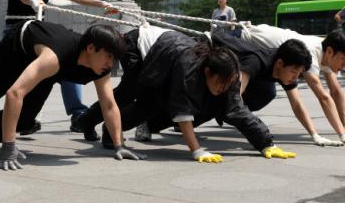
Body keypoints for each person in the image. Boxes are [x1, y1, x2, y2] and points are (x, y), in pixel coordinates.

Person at [75, 25, 296, 162]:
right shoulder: (189, 69)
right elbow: (183, 112)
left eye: (226, 85)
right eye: (219, 83)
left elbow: (238, 110)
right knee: (127, 96)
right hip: (141, 46)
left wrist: (267, 143)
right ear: (207, 72)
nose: (222, 89)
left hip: (164, 58)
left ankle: (106, 128)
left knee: (149, 105)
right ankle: (89, 122)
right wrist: (197, 150)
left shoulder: (228, 76)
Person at [0, 21, 145, 170]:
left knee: (25, 121)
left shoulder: (100, 68)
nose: (111, 64)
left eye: (115, 59)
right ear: (91, 48)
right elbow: (15, 93)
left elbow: (109, 104)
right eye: (109, 56)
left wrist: (118, 144)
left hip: (50, 69)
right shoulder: (55, 56)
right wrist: (8, 148)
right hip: (17, 51)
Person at [5, 0, 115, 135]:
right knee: (25, 78)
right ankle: (27, 117)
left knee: (68, 63)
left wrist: (103, 4)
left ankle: (78, 114)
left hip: (39, 34)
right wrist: (31, 1)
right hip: (17, 35)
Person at [240, 24, 345, 144]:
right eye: (343, 59)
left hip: (266, 54)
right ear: (330, 52)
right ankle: (232, 111)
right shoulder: (311, 54)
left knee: (268, 92)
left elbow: (336, 91)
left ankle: (234, 111)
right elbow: (324, 98)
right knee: (265, 92)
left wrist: (339, 131)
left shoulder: (325, 51)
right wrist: (342, 135)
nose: (344, 65)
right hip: (245, 42)